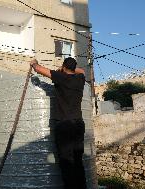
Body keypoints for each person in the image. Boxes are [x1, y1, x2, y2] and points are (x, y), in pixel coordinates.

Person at [30, 57, 87, 189]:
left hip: (64, 125)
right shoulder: (80, 79)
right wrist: (64, 69)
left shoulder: (61, 78)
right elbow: (82, 70)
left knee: (66, 161)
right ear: (73, 67)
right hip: (78, 124)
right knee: (78, 160)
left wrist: (34, 63)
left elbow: (38, 69)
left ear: (63, 67)